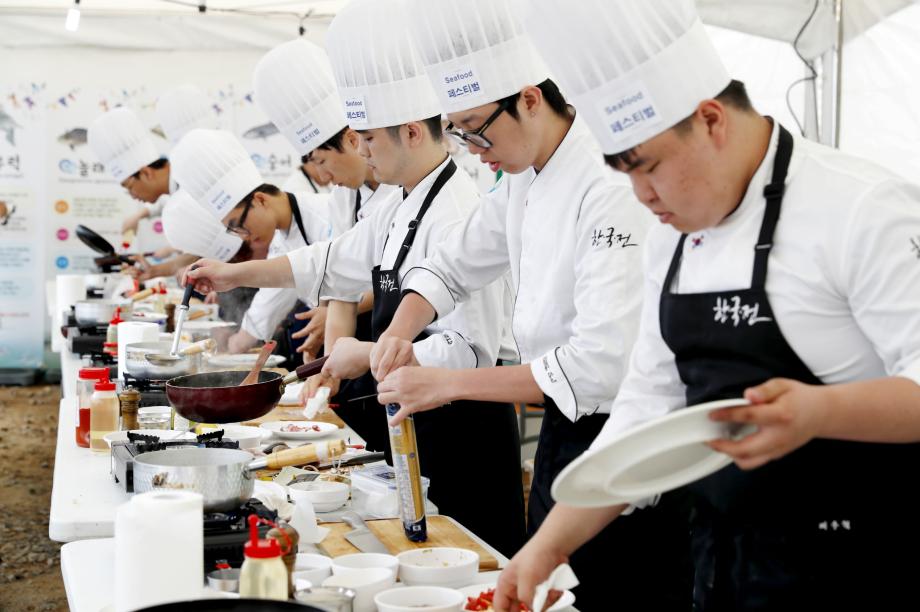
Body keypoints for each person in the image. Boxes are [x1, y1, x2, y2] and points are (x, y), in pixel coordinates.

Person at [492, 1, 920, 610]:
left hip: (858, 573)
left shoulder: (863, 210)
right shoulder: (670, 237)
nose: (642, 197)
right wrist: (545, 548)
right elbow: (646, 405)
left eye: (650, 168)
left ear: (712, 119)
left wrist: (820, 412)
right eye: (623, 173)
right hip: (723, 570)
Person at [361, 1, 687, 608]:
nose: (470, 147)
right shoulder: (520, 174)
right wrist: (401, 329)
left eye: (478, 129)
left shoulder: (607, 182)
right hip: (560, 434)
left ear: (531, 99)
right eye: (458, 131)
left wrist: (448, 384)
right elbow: (455, 260)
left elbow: (597, 367)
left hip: (620, 439)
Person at [186, 0, 525, 558]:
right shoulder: (398, 203)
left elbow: (472, 350)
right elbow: (329, 262)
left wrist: (365, 354)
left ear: (412, 132)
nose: (361, 150)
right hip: (410, 418)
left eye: (368, 137)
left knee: (468, 566)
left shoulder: (460, 210)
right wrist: (232, 273)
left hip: (461, 430)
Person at [252, 37, 399, 381]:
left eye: (322, 161)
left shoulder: (402, 188)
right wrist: (329, 370)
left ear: (352, 139)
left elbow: (402, 282)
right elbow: (342, 286)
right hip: (372, 347)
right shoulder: (344, 198)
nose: (323, 176)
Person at [171, 129, 332, 357]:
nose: (243, 236)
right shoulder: (281, 239)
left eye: (239, 225)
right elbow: (268, 302)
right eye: (234, 230)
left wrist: (333, 312)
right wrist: (232, 348)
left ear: (260, 200)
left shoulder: (325, 214)